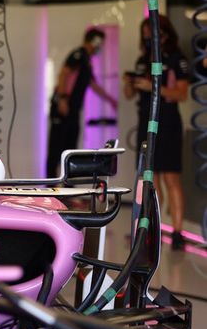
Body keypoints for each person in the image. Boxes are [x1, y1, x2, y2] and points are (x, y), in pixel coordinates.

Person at [123, 15, 189, 250]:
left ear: (165, 33)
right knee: (150, 179)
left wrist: (152, 86)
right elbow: (129, 95)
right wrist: (130, 83)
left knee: (171, 177)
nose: (149, 36)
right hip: (145, 122)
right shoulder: (143, 60)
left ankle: (178, 231)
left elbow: (181, 94)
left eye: (153, 32)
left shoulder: (176, 59)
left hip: (168, 122)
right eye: (146, 32)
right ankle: (156, 229)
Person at [46, 28, 118, 178]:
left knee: (70, 150)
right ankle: (50, 188)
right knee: (56, 149)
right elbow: (64, 73)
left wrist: (111, 100)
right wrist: (63, 99)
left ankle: (69, 189)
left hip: (73, 110)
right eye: (100, 43)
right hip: (63, 108)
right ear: (94, 42)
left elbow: (93, 85)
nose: (100, 47)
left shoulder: (86, 61)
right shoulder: (78, 55)